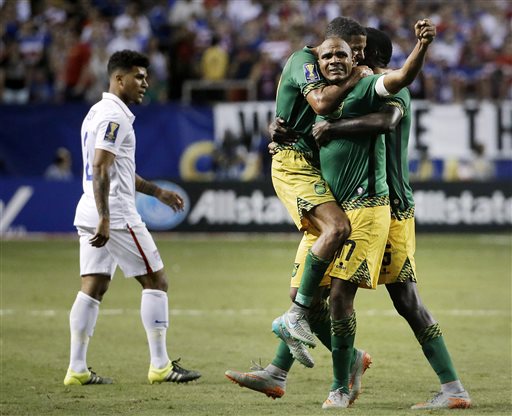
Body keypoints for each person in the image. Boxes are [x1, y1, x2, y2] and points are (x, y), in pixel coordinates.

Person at [312, 27, 470, 410]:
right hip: (384, 206)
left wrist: (331, 128)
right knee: (402, 301)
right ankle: (451, 387)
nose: (351, 57)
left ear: (367, 55)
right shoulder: (361, 88)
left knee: (334, 293)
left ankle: (341, 381)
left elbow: (386, 122)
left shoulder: (388, 88)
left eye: (357, 51)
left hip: (386, 207)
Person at [225, 17, 373, 403]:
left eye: (359, 50)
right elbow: (321, 102)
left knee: (304, 287)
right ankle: (302, 329)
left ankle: (277, 372)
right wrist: (359, 75)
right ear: (327, 45)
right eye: (349, 48)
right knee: (336, 231)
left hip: (314, 167)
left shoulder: (341, 72)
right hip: (293, 164)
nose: (356, 56)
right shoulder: (306, 62)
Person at [64, 49, 201, 386]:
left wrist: (157, 192)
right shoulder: (115, 117)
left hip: (90, 207)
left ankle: (76, 370)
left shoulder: (98, 111)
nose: (145, 83)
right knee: (157, 281)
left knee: (93, 286)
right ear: (119, 79)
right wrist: (107, 217)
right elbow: (99, 166)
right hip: (115, 212)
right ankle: (160, 366)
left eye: (146, 77)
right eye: (139, 77)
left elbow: (119, 168)